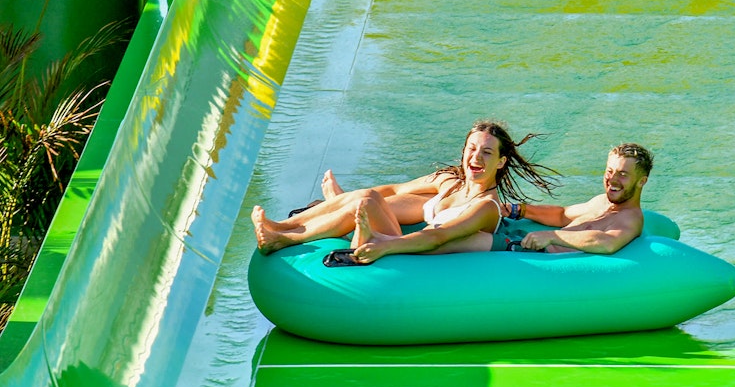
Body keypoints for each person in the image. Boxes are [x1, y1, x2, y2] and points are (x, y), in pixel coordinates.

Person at [251, 120, 557, 259]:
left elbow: (438, 237)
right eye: (472, 149)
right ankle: (278, 227)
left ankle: (282, 239)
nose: (475, 158)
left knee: (367, 202)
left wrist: (384, 245)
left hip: (408, 249)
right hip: (395, 236)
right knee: (368, 197)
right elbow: (392, 190)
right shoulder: (449, 182)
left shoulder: (486, 207)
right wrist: (341, 200)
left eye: (487, 153)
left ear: (501, 162)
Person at [494, 143, 653, 255]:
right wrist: (517, 210)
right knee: (486, 212)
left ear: (641, 181)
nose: (613, 179)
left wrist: (551, 237)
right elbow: (562, 215)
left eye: (623, 174)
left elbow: (607, 242)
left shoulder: (631, 218)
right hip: (524, 239)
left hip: (535, 253)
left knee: (476, 239)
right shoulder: (601, 201)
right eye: (610, 171)